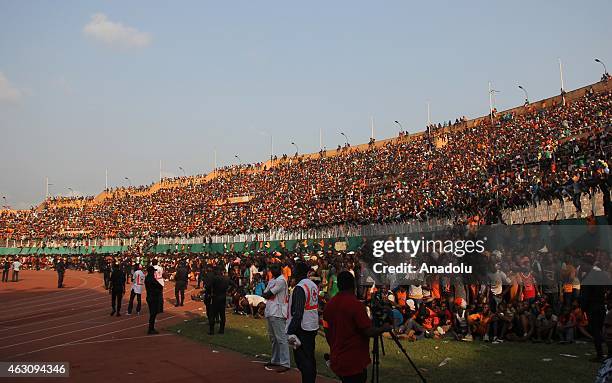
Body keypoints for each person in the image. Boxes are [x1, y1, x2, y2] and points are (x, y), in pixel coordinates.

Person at [324, 271, 391, 383]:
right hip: (354, 362)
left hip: (337, 358)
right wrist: (383, 328)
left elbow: (327, 332)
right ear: (353, 285)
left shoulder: (329, 305)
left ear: (339, 285)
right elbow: (368, 331)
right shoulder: (355, 305)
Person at [286, 262, 319, 383]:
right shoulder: (312, 285)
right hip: (312, 325)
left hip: (302, 327)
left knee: (302, 360)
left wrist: (290, 330)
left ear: (296, 272)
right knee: (310, 357)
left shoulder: (300, 288)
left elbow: (298, 312)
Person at [261, 263, 290, 372]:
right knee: (273, 338)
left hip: (278, 312)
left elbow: (268, 294)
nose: (274, 270)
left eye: (276, 268)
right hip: (270, 310)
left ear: (280, 270)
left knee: (281, 338)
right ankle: (275, 360)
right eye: (273, 268)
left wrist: (268, 293)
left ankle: (285, 363)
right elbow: (265, 292)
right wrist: (267, 293)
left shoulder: (282, 280)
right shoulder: (273, 280)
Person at [206, 265, 234, 335]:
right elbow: (234, 285)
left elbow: (208, 287)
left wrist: (210, 293)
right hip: (223, 297)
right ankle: (221, 330)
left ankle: (212, 331)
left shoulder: (214, 278)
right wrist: (228, 291)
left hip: (215, 297)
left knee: (212, 314)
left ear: (216, 271)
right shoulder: (226, 278)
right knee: (222, 314)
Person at [145, 265, 163, 334]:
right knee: (153, 314)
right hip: (153, 297)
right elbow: (159, 286)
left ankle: (151, 328)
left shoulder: (147, 278)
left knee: (152, 313)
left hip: (149, 297)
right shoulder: (151, 279)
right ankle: (151, 329)